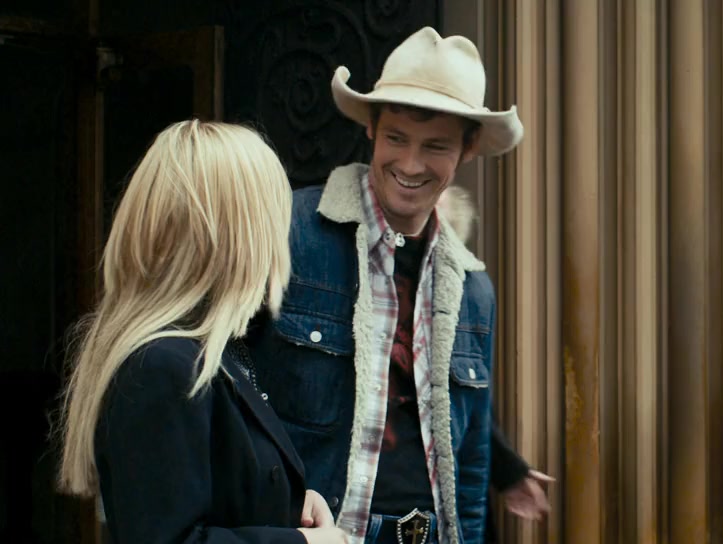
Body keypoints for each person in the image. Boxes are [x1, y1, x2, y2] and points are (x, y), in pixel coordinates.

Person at [245, 27, 545, 544]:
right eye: (396, 138)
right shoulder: (286, 233)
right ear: (370, 129)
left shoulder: (475, 290)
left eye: (435, 146)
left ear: (468, 149)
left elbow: (471, 463)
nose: (410, 164)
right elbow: (222, 394)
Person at [58, 120, 347, 543]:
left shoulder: (208, 347)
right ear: (238, 233)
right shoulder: (161, 365)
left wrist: (291, 503)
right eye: (272, 217)